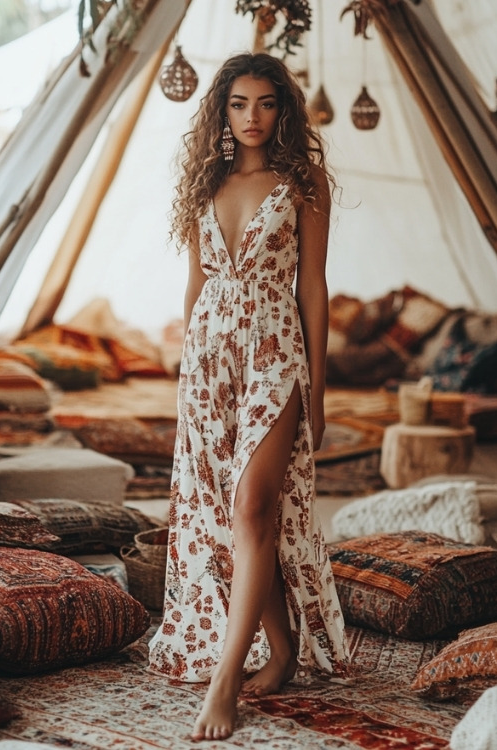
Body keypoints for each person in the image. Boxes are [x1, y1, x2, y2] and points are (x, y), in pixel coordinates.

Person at [148, 51, 350, 741]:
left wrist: (316, 393)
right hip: (207, 360)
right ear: (222, 111)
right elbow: (197, 285)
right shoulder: (205, 180)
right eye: (239, 104)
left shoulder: (302, 182)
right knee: (222, 516)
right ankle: (283, 647)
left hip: (273, 356)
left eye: (265, 103)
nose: (253, 117)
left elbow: (312, 290)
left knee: (253, 504)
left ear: (283, 108)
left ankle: (225, 681)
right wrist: (186, 375)